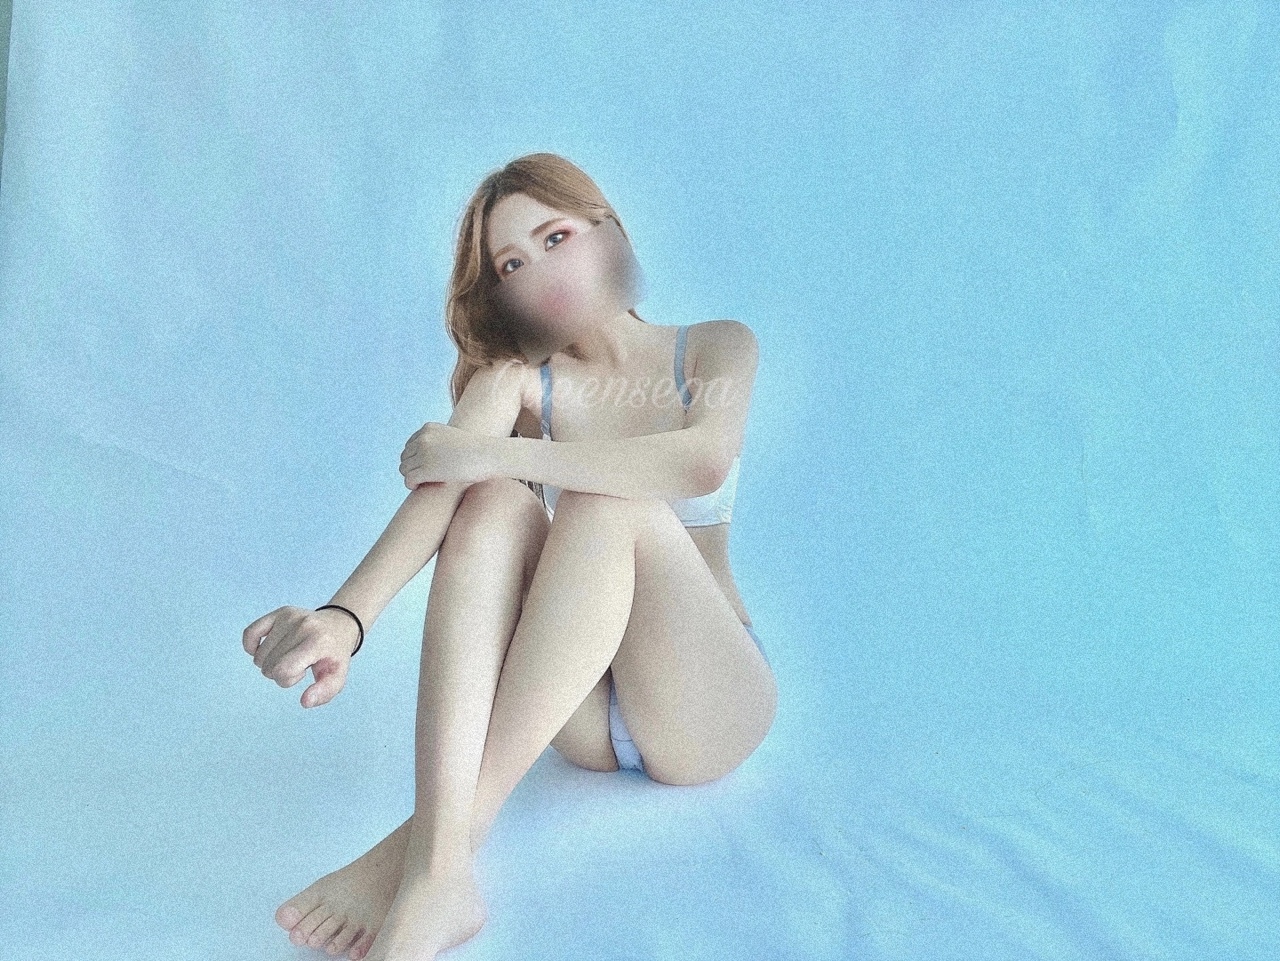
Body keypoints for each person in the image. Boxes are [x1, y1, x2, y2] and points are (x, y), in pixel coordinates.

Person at [241, 152, 777, 961]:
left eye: (555, 237)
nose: (542, 271)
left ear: (608, 231)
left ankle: (433, 852)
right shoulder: (519, 381)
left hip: (709, 702)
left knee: (603, 502)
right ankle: (441, 871)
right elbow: (440, 498)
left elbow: (699, 462)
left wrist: (493, 452)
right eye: (513, 265)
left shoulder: (714, 347)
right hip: (575, 712)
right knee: (490, 502)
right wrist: (344, 618)